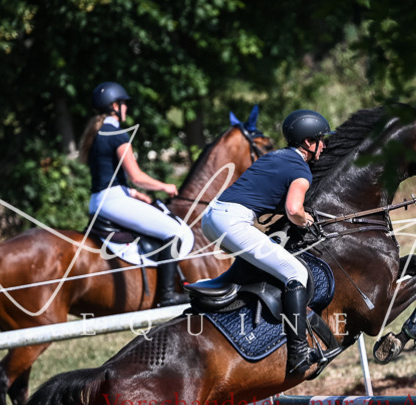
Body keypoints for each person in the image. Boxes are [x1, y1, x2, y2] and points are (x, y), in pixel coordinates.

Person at [199, 109, 331, 376]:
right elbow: (294, 210)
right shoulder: (301, 170)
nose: (324, 146)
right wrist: (306, 220)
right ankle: (298, 353)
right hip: (232, 222)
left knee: (266, 264)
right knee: (296, 273)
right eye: (321, 140)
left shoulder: (275, 156)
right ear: (308, 142)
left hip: (212, 218)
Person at [79, 81, 193, 307]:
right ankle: (167, 295)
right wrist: (165, 186)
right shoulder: (117, 134)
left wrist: (132, 193)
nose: (126, 108)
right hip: (113, 202)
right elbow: (137, 176)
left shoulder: (96, 133)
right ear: (114, 106)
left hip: (100, 200)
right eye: (124, 104)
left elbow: (106, 176)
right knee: (175, 232)